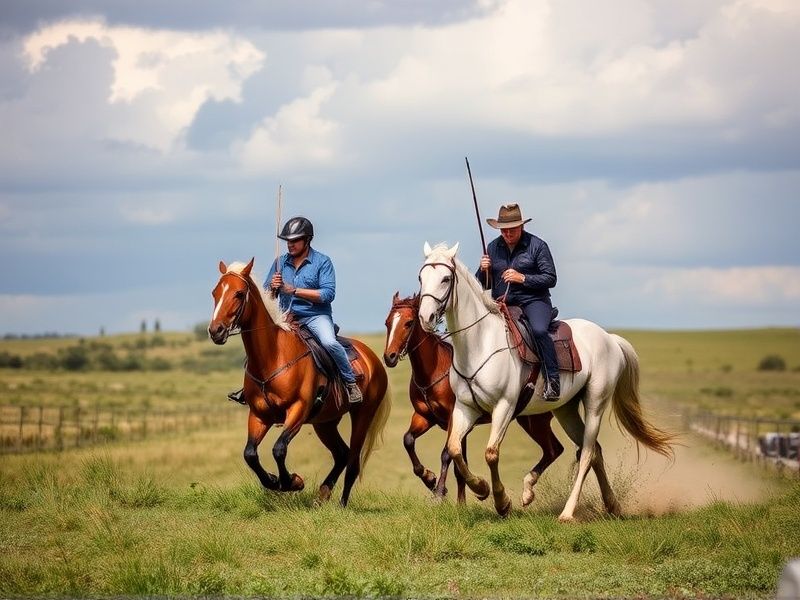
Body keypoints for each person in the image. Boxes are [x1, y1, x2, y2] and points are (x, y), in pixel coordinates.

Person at [267, 216, 362, 403]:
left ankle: (350, 383)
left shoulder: (322, 262)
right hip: (286, 317)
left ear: (308, 240)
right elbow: (267, 296)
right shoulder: (279, 262)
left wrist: (294, 290)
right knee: (261, 343)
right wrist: (272, 287)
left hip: (315, 316)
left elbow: (327, 294)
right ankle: (254, 387)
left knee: (329, 343)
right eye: (288, 241)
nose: (290, 244)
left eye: (295, 240)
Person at [477, 203, 560, 400]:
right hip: (502, 304)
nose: (507, 233)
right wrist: (483, 270)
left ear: (521, 226)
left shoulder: (537, 245)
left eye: (512, 229)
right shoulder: (492, 247)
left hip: (534, 300)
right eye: (503, 230)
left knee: (539, 331)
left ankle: (553, 381)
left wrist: (522, 278)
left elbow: (551, 278)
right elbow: (484, 284)